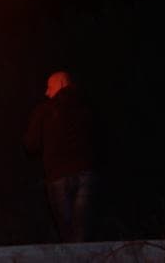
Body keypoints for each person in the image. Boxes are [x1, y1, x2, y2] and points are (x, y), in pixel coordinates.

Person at [25, 71, 96, 242]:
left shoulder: (45, 111)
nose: (46, 92)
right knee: (82, 229)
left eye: (49, 87)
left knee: (65, 230)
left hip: (58, 175)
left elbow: (31, 144)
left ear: (62, 83)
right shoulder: (88, 107)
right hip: (86, 172)